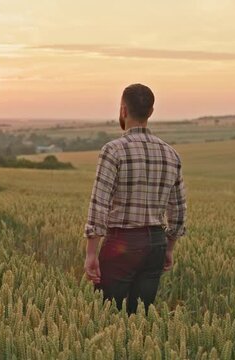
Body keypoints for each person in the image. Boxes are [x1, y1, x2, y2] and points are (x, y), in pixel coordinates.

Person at [83, 83, 187, 315]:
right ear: (151, 112)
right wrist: (169, 248)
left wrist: (91, 253)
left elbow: (99, 203)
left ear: (123, 110)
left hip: (122, 243)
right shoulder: (171, 154)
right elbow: (179, 210)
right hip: (156, 245)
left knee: (106, 315)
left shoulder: (114, 150)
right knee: (140, 317)